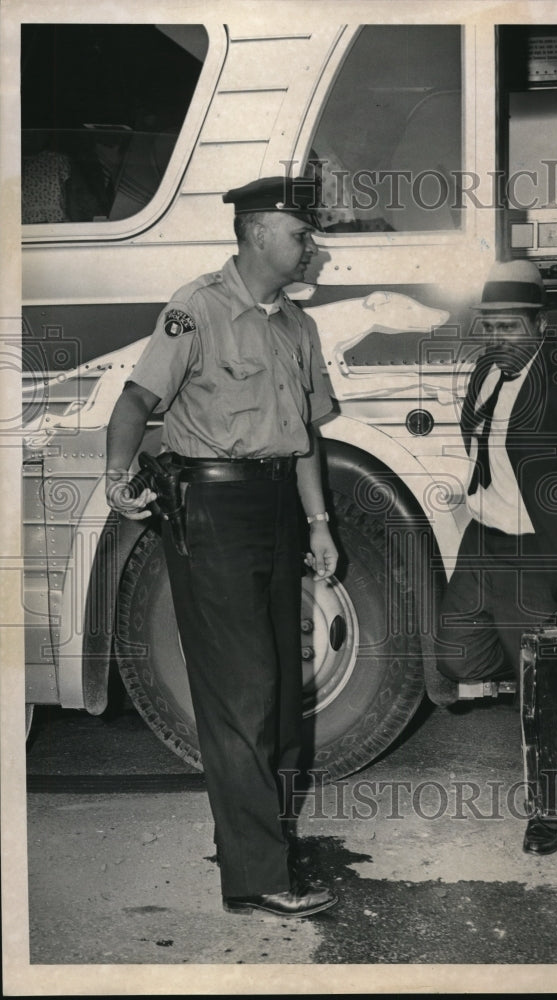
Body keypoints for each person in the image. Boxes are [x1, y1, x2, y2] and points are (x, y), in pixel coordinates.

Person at [105, 175, 339, 918]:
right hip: (210, 509)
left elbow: (306, 439)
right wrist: (116, 477)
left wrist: (323, 525)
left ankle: (259, 836)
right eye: (302, 233)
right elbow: (138, 401)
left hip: (277, 507)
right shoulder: (196, 308)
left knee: (278, 687)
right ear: (259, 232)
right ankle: (257, 874)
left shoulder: (298, 328)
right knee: (242, 692)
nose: (312, 246)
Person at [435, 259, 557, 856]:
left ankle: (550, 806)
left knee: (543, 682)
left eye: (509, 327)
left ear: (539, 324)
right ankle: (543, 672)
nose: (497, 339)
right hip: (485, 538)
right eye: (489, 326)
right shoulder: (484, 372)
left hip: (542, 545)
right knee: (457, 657)